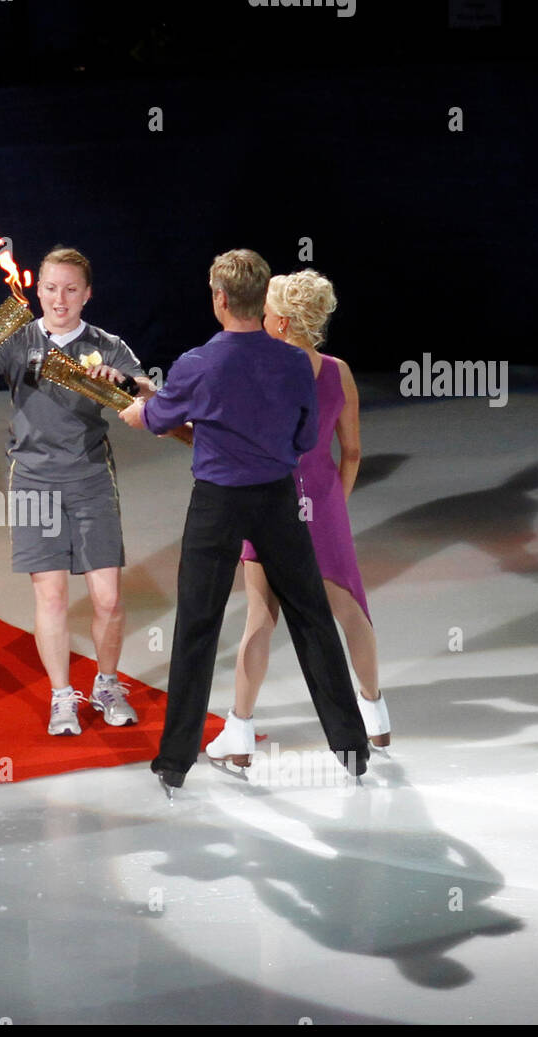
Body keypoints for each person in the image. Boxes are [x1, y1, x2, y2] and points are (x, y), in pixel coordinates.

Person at [118, 249, 369, 794]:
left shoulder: (197, 363)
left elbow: (157, 419)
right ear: (261, 301)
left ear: (220, 299)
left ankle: (175, 761)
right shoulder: (294, 363)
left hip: (217, 505)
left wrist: (140, 409)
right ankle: (351, 749)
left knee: (198, 626)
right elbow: (306, 442)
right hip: (278, 499)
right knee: (310, 618)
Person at [0, 246, 141, 736]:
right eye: (52, 288)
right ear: (39, 289)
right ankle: (61, 696)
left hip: (92, 477)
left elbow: (150, 396)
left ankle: (107, 684)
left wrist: (122, 383)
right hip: (34, 479)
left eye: (71, 289)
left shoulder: (106, 344)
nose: (60, 299)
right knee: (52, 597)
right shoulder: (19, 340)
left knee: (108, 599)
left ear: (87, 293)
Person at [211, 270, 389, 770]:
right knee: (351, 610)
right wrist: (332, 504)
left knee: (260, 622)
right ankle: (375, 716)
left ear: (283, 321)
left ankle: (240, 733)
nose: (260, 317)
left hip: (270, 504)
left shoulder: (255, 371)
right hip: (325, 504)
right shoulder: (339, 371)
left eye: (266, 310)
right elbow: (351, 453)